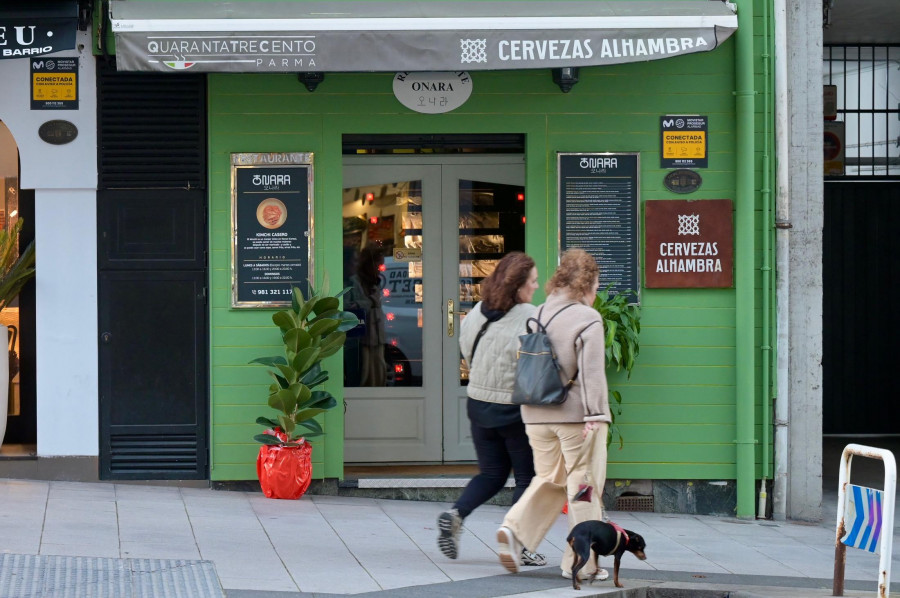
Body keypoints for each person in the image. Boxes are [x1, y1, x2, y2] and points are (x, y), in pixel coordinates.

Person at [494, 248, 612, 583]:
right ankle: (582, 564)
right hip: (576, 417)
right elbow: (591, 374)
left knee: (549, 479)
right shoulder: (588, 318)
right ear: (588, 282)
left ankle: (515, 532)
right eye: (596, 283)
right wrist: (596, 415)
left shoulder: (540, 312)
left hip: (535, 414)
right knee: (584, 487)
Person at [437, 252, 546, 567]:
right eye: (533, 282)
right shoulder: (532, 316)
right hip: (514, 410)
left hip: (478, 405)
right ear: (518, 286)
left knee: (492, 473)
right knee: (528, 477)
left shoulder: (476, 313)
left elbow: (467, 355)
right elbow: (536, 366)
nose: (536, 287)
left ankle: (456, 513)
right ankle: (518, 544)